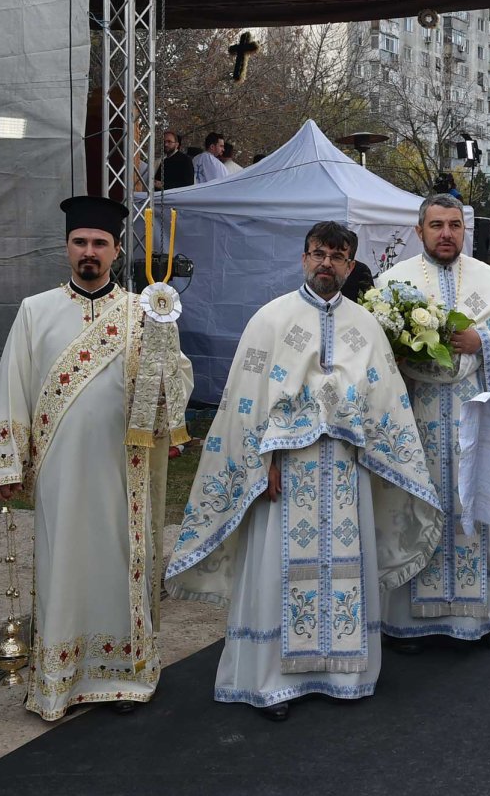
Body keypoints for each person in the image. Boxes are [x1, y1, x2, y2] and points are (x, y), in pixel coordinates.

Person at [165, 221, 441, 721]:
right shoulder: (271, 320)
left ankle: (342, 675)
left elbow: (386, 402)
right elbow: (244, 405)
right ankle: (272, 683)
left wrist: (374, 450)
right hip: (286, 475)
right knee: (279, 573)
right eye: (318, 253)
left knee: (345, 571)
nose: (326, 264)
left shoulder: (365, 326)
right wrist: (261, 462)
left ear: (351, 266)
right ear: (303, 257)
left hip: (346, 473)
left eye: (338, 256)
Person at [0, 196, 193, 720]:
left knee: (118, 559)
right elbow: (10, 387)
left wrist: (167, 362)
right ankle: (61, 680)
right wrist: (6, 464)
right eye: (80, 242)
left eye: (99, 243)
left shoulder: (142, 311)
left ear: (116, 250)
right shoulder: (35, 310)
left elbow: (175, 383)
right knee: (63, 563)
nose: (89, 252)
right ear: (67, 249)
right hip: (59, 468)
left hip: (121, 466)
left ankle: (122, 676)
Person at [375, 194, 490, 650]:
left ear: (466, 231)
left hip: (474, 421)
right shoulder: (393, 282)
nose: (446, 233)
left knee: (475, 507)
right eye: (437, 225)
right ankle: (407, 622)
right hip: (415, 421)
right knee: (412, 507)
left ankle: (480, 620)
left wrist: (481, 339)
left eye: (455, 225)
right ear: (419, 231)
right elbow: (375, 354)